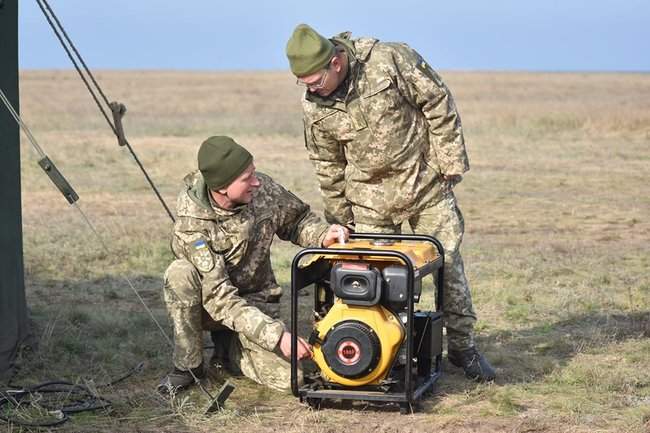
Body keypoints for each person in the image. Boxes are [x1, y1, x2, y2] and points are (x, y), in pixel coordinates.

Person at [285, 24, 495, 381]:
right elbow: (328, 165)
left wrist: (450, 161)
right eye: (303, 83)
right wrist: (339, 221)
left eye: (314, 79)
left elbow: (437, 100)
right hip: (369, 201)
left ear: (336, 63)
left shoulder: (389, 59)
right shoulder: (314, 105)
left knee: (448, 267)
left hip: (425, 185)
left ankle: (463, 349)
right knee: (373, 279)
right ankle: (386, 356)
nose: (311, 89)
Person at [158, 135, 349, 393]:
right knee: (180, 274)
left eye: (254, 173)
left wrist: (322, 235)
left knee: (293, 379)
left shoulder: (262, 190)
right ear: (222, 187)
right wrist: (278, 337)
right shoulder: (192, 227)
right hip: (214, 306)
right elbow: (221, 299)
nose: (256, 182)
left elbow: (298, 220)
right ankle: (188, 367)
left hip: (257, 301)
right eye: (247, 178)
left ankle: (228, 351)